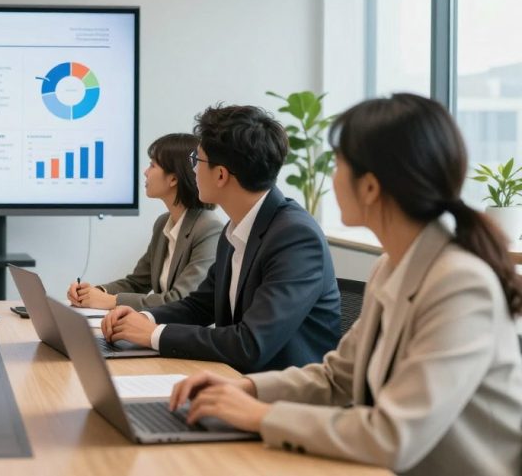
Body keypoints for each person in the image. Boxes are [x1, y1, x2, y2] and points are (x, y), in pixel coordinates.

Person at [170, 94, 522, 475]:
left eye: (338, 164)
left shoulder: (460, 285)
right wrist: (250, 390)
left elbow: (393, 436)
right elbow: (337, 376)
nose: (332, 177)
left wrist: (262, 416)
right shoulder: (391, 266)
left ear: (370, 187)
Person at [101, 104, 340, 373]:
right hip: (234, 382)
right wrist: (143, 317)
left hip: (284, 399)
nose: (192, 171)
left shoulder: (295, 238)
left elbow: (250, 344)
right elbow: (199, 306)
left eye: (197, 161)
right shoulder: (237, 229)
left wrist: (153, 335)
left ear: (221, 175)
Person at [67, 133, 223, 310]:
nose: (145, 172)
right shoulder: (163, 223)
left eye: (152, 165)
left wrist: (112, 301)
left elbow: (181, 299)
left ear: (173, 178)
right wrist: (94, 293)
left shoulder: (209, 228)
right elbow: (136, 283)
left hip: (185, 333)